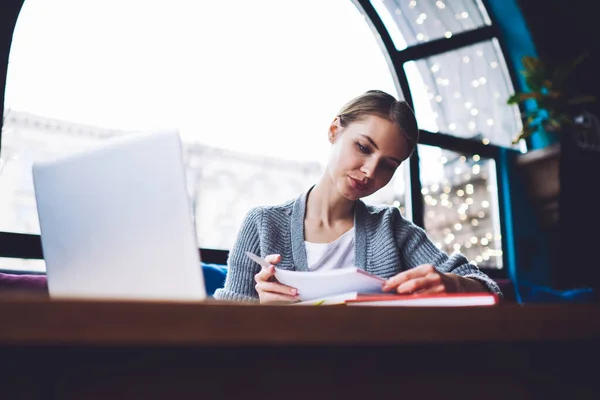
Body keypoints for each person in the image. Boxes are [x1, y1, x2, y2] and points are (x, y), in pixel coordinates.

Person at [214, 90, 502, 303]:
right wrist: (263, 312)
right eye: (363, 147)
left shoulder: (391, 229)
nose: (369, 171)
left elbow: (490, 289)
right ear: (334, 131)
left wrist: (452, 285)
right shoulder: (263, 224)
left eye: (388, 165)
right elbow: (223, 331)